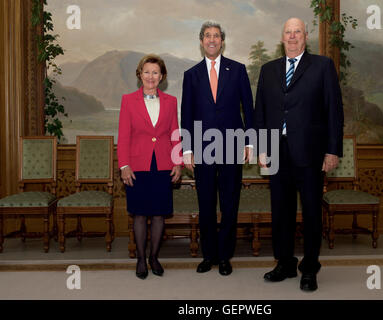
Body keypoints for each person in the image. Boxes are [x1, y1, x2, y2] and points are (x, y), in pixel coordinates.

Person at [254, 17, 344, 291]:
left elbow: (334, 112)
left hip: (311, 152)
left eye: (297, 32)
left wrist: (332, 150)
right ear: (282, 38)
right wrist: (259, 147)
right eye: (288, 32)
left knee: (312, 212)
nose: (292, 37)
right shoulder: (268, 70)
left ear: (306, 36)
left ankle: (310, 268)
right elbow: (260, 112)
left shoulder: (322, 66)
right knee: (281, 211)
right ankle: (284, 263)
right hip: (275, 153)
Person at [181, 21, 254, 276]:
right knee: (206, 204)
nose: (212, 40)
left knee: (230, 204)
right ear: (201, 41)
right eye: (207, 36)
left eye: (216, 36)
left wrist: (249, 142)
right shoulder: (191, 75)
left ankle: (225, 257)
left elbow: (249, 109)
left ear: (222, 41)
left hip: (233, 146)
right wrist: (187, 149)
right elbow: (186, 114)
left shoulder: (238, 70)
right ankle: (208, 255)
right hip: (202, 149)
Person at [118, 54, 182, 280]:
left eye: (156, 72)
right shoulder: (127, 100)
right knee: (139, 214)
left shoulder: (171, 101)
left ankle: (154, 257)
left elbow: (175, 133)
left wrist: (178, 161)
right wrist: (124, 165)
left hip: (163, 165)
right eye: (147, 71)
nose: (151, 76)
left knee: (158, 215)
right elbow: (124, 136)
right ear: (140, 74)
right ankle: (141, 259)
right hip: (137, 165)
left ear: (162, 76)